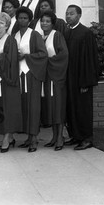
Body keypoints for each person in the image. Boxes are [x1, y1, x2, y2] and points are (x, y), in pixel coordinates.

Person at [64, 5, 99, 150]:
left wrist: (86, 82)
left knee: (82, 109)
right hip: (69, 78)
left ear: (79, 15)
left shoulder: (86, 33)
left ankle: (86, 138)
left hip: (81, 79)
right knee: (71, 108)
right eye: (67, 14)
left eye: (71, 14)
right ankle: (75, 136)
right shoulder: (66, 32)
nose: (68, 16)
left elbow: (90, 59)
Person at [13, 6, 47, 152]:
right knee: (23, 106)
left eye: (25, 18)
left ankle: (34, 138)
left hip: (31, 74)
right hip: (19, 75)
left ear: (30, 20)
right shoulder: (14, 35)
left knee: (33, 107)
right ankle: (28, 137)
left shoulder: (35, 35)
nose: (22, 20)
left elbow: (42, 54)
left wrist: (26, 56)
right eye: (20, 17)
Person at [0, 12, 22, 152]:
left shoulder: (10, 40)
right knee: (2, 108)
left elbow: (12, 59)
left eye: (1, 23)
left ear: (7, 26)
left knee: (8, 108)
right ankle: (9, 137)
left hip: (7, 79)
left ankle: (6, 139)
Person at [40, 11, 68, 151]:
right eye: (42, 21)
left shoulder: (57, 35)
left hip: (56, 77)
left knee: (58, 106)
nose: (44, 23)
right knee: (51, 107)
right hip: (46, 77)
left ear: (52, 23)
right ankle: (54, 136)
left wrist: (47, 61)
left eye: (47, 21)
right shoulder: (40, 37)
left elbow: (63, 55)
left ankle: (60, 138)